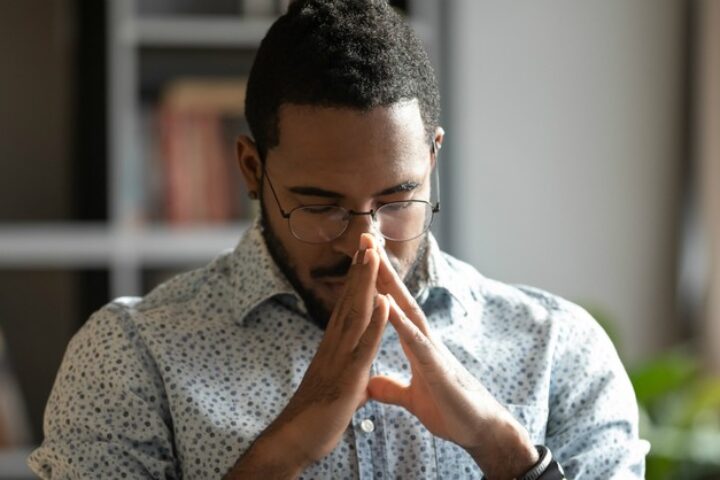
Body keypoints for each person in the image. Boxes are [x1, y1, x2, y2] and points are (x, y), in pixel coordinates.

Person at [28, 1, 649, 478]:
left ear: (433, 160)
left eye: (396, 200)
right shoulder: (131, 357)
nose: (364, 244)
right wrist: (287, 446)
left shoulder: (558, 351)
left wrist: (500, 446)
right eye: (321, 206)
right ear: (252, 169)